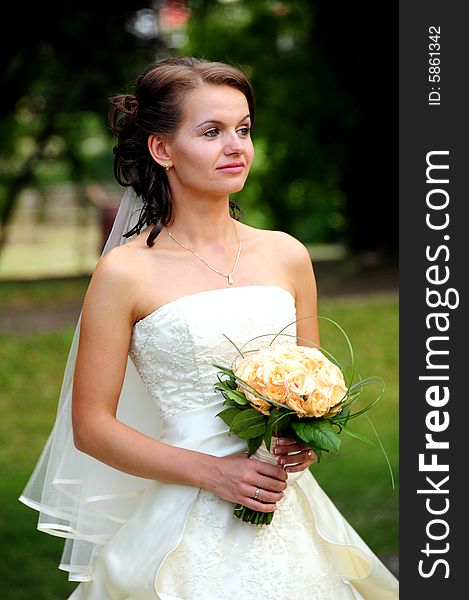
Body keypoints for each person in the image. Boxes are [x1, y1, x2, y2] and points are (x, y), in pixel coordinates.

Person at [20, 56, 399, 599]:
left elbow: (315, 386)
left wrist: (300, 441)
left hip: (283, 502)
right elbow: (92, 426)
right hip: (185, 519)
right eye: (211, 131)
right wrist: (214, 473)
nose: (236, 146)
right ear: (162, 149)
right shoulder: (125, 271)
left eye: (243, 129)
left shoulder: (287, 254)